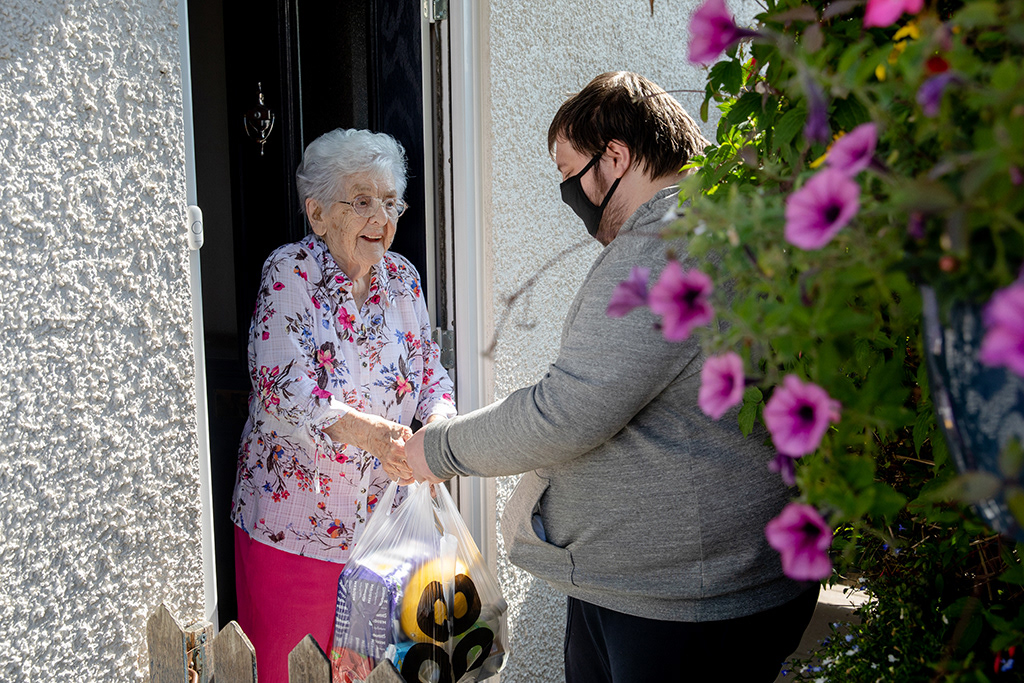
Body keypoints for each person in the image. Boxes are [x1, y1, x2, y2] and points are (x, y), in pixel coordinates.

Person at [404, 72, 818, 682]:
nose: (567, 192)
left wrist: (434, 450)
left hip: (682, 607)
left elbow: (566, 412)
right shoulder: (727, 222)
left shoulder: (666, 246)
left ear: (616, 157)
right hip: (680, 585)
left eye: (570, 172)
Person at [230, 128, 457, 683]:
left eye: (389, 201)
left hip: (380, 531)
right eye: (360, 201)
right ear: (318, 213)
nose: (380, 217)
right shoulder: (289, 273)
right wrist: (374, 433)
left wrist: (441, 424)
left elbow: (431, 371)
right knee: (292, 671)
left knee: (367, 673)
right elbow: (283, 387)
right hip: (294, 529)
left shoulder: (403, 279)